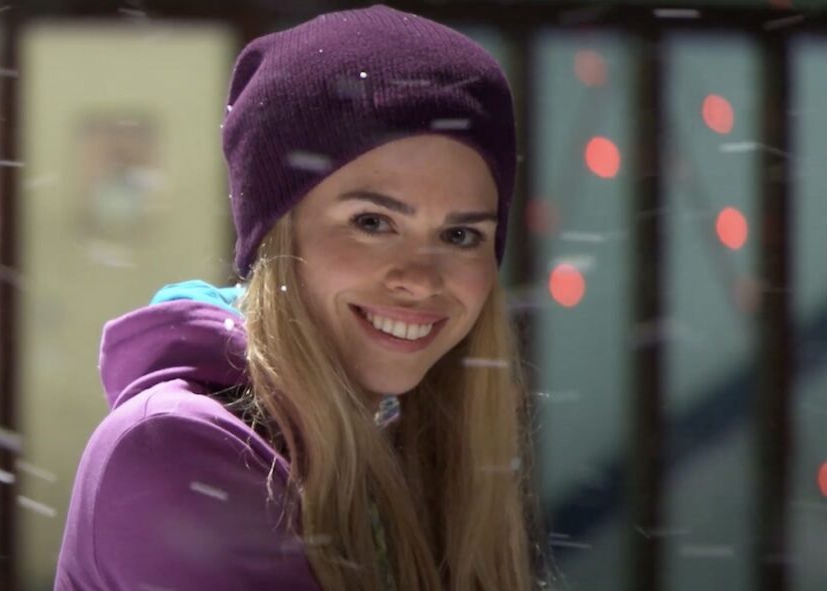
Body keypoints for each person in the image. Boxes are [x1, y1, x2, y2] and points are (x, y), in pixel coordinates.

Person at [55, 5, 542, 590]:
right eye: (372, 222)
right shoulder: (177, 449)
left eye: (460, 235)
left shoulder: (404, 445)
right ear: (277, 235)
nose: (420, 278)